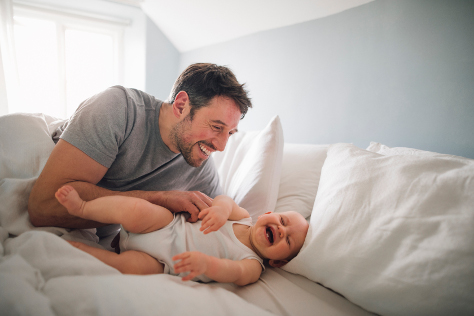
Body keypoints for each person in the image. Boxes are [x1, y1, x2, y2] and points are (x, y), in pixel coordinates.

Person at [28, 63, 252, 233]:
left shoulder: (199, 165)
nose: (221, 146)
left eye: (230, 134)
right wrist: (161, 199)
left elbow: (227, 221)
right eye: (216, 127)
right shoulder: (117, 109)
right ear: (181, 105)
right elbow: (43, 207)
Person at [55, 185, 309, 286]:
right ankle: (83, 208)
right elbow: (225, 201)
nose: (281, 229)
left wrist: (208, 264)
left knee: (128, 267)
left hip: (163, 262)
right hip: (163, 226)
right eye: (282, 220)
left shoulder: (253, 264)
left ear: (277, 262)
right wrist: (220, 209)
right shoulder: (242, 217)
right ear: (268, 213)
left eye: (288, 240)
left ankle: (81, 251)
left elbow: (236, 274)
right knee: (135, 209)